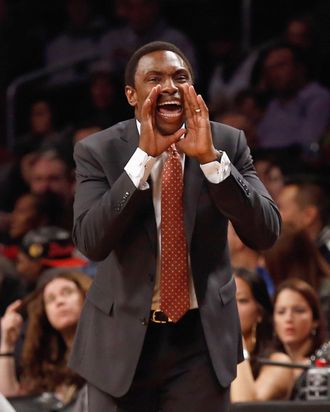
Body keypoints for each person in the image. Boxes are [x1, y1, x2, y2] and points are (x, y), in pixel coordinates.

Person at [69, 40, 281, 411]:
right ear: (132, 95)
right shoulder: (98, 150)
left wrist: (213, 163)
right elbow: (92, 241)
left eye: (180, 77)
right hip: (119, 339)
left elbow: (265, 232)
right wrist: (143, 158)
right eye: (155, 78)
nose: (169, 87)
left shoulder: (227, 142)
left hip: (201, 340)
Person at [0, 270, 92, 406]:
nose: (59, 301)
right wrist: (7, 345)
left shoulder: (107, 349)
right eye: (50, 299)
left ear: (86, 295)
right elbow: (11, 404)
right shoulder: (46, 362)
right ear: (44, 314)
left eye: (67, 292)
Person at [231, 268, 293, 401]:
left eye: (241, 300)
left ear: (259, 313)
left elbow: (244, 405)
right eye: (224, 300)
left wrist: (235, 341)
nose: (230, 308)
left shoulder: (279, 363)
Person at [272, 277, 327, 400]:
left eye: (299, 310)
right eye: (281, 312)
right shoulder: (267, 365)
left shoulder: (325, 363)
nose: (289, 318)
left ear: (315, 320)